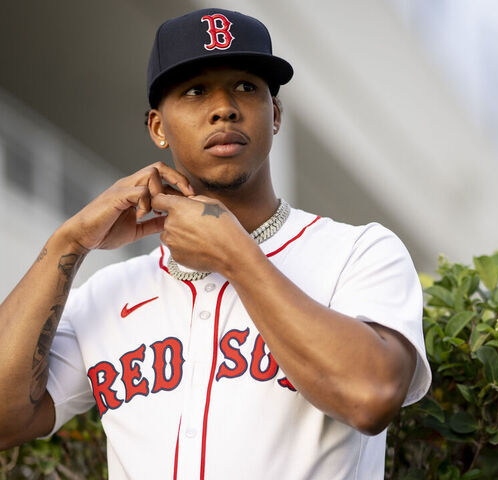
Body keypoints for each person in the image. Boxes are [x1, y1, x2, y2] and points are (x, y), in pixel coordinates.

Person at [0, 8, 431, 479]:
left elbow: (371, 397)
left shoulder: (358, 252)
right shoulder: (108, 294)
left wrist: (234, 254)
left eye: (246, 86)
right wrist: (70, 240)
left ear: (276, 115)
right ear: (158, 127)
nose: (223, 107)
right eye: (195, 91)